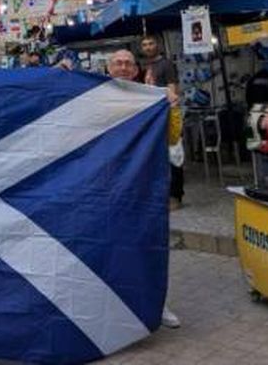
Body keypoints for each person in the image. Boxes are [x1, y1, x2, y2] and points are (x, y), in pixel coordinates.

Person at [107, 49, 182, 329]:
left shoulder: (150, 98)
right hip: (107, 187)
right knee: (109, 246)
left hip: (144, 186)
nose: (124, 67)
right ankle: (113, 303)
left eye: (128, 63)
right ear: (109, 67)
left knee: (149, 243)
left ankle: (156, 303)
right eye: (118, 63)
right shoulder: (91, 97)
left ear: (136, 69)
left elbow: (173, 136)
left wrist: (172, 106)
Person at [140, 36, 184, 210]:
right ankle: (163, 194)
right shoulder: (146, 66)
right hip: (153, 117)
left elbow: (172, 88)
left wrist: (169, 110)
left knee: (174, 155)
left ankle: (176, 196)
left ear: (156, 45)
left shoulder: (166, 64)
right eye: (144, 45)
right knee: (159, 157)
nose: (148, 47)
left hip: (167, 113)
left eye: (151, 43)